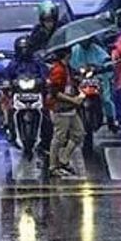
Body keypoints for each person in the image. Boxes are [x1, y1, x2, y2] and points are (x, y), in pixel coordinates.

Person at [0, 35, 48, 141]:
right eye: (22, 49)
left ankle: (46, 133)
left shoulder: (37, 62)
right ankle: (10, 128)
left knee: (46, 109)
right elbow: (6, 75)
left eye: (26, 48)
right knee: (9, 106)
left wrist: (45, 80)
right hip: (18, 92)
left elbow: (44, 73)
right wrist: (6, 82)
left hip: (36, 92)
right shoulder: (13, 64)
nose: (24, 51)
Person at [47, 47, 84, 178]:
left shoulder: (67, 68)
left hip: (70, 108)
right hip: (60, 109)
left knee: (78, 133)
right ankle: (53, 166)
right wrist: (72, 99)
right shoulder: (58, 70)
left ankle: (64, 159)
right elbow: (54, 92)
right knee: (58, 138)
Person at [70, 35, 116, 131]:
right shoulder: (74, 50)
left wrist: (102, 67)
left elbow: (107, 61)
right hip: (80, 79)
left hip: (97, 79)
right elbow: (69, 63)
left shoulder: (97, 49)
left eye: (86, 40)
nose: (84, 42)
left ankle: (111, 120)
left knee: (106, 100)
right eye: (82, 40)